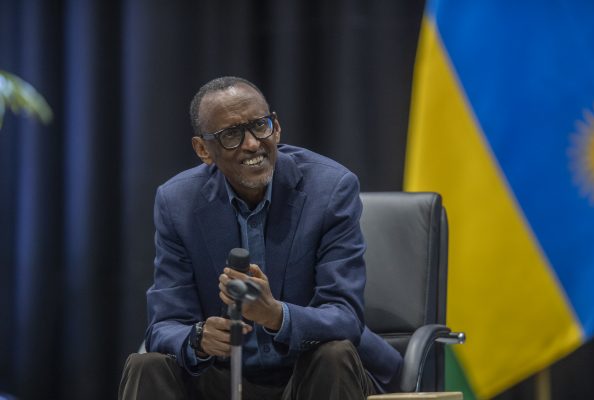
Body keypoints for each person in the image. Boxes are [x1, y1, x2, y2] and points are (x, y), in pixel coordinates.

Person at [118, 76, 402, 400]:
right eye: (231, 135)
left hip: (307, 372)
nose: (252, 144)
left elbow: (345, 318)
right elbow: (164, 325)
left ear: (276, 128)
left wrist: (275, 315)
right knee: (146, 364)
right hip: (224, 375)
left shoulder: (330, 189)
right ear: (203, 150)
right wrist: (198, 338)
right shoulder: (177, 202)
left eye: (259, 126)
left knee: (333, 354)